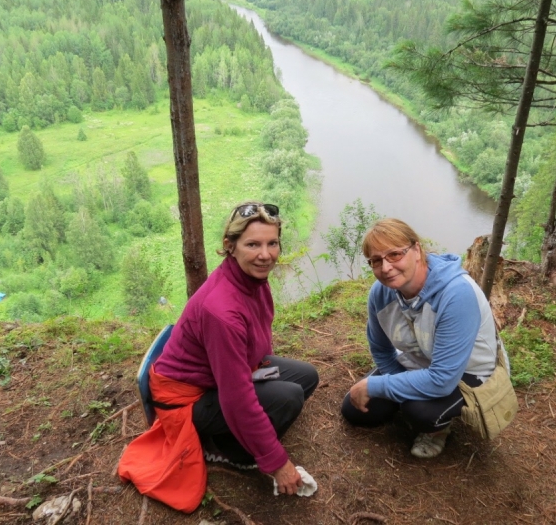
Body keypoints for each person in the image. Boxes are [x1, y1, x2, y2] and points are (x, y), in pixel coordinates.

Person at [119, 202, 319, 511]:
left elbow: (255, 341)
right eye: (253, 244)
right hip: (185, 399)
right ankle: (231, 451)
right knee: (288, 397)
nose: (265, 254)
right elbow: (236, 399)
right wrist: (277, 462)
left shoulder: (252, 280)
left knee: (307, 377)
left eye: (272, 243)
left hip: (211, 378)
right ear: (230, 246)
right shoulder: (222, 311)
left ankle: (237, 437)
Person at [341, 218, 507, 458]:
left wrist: (377, 385)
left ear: (417, 250)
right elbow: (380, 349)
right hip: (420, 361)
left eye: (395, 255)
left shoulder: (456, 294)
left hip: (466, 373)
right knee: (355, 411)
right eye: (376, 260)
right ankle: (409, 395)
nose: (386, 268)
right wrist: (398, 380)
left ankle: (438, 430)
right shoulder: (380, 293)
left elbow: (443, 379)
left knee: (419, 412)